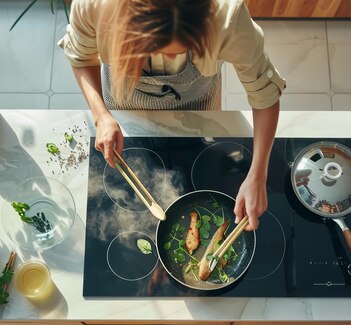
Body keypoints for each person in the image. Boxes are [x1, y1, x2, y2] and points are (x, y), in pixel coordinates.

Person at [59, 0, 285, 230]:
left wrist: (257, 175)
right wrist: (102, 116)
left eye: (177, 51)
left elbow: (265, 96)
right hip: (122, 110)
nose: (164, 58)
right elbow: (81, 57)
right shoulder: (95, 5)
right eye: (147, 48)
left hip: (198, 113)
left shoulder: (228, 17)